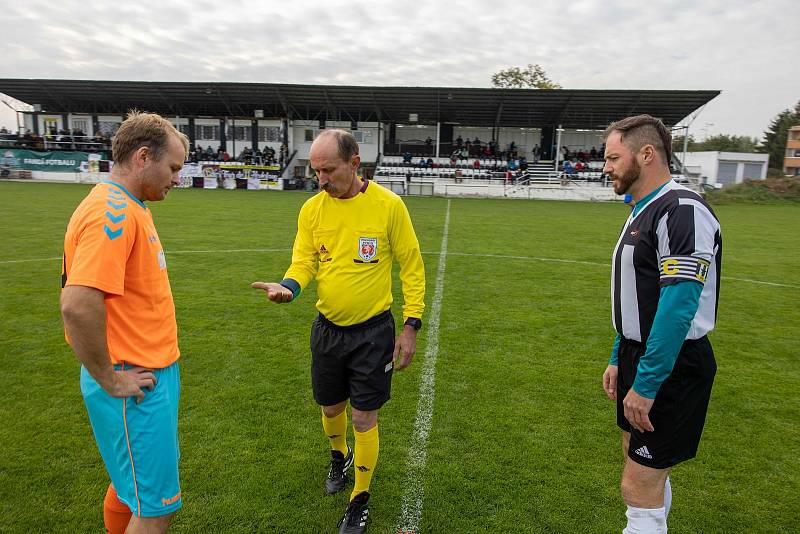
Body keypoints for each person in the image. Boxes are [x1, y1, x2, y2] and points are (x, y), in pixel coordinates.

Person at [251, 129, 425, 534]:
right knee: (331, 409)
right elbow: (304, 261)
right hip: (328, 329)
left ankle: (359, 499)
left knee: (364, 416)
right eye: (316, 171)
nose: (321, 179)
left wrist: (412, 323)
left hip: (374, 333)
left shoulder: (388, 206)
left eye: (328, 170)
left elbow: (411, 266)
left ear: (354, 164)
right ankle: (338, 456)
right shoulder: (312, 210)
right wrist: (289, 286)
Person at [60, 111, 189, 534]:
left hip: (149, 374)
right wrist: (111, 380)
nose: (176, 179)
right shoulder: (111, 213)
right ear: (142, 156)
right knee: (156, 508)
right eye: (172, 168)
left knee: (128, 489)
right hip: (134, 382)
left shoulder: (129, 207)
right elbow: (78, 304)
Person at [601, 114, 721, 533]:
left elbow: (678, 305)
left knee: (638, 483)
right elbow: (639, 297)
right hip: (640, 354)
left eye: (614, 157)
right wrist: (620, 355)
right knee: (641, 464)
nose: (606, 167)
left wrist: (648, 382)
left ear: (647, 153)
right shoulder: (641, 210)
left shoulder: (681, 209)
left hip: (671, 362)